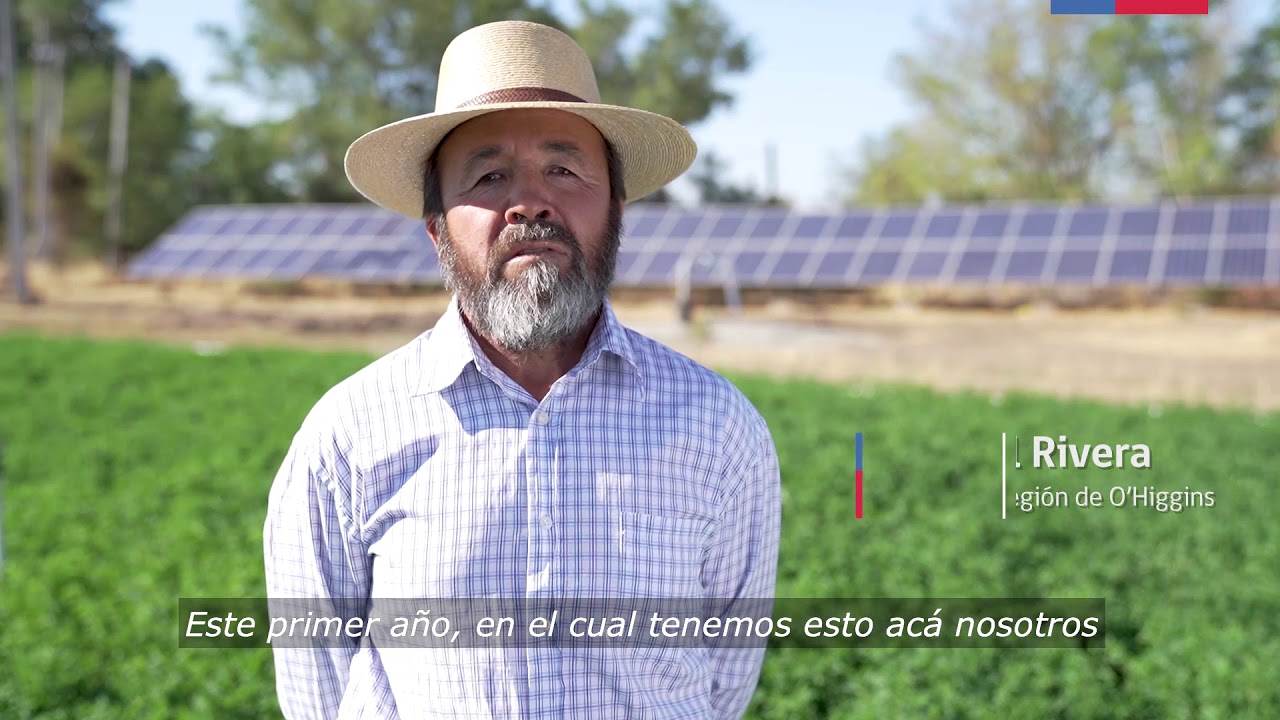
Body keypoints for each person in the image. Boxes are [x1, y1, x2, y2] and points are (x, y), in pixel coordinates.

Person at [264, 19, 781, 720]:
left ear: (617, 211)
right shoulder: (347, 437)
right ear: (437, 228)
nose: (531, 202)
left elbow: (725, 678)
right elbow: (318, 693)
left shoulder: (717, 426)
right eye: (488, 175)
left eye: (564, 169)